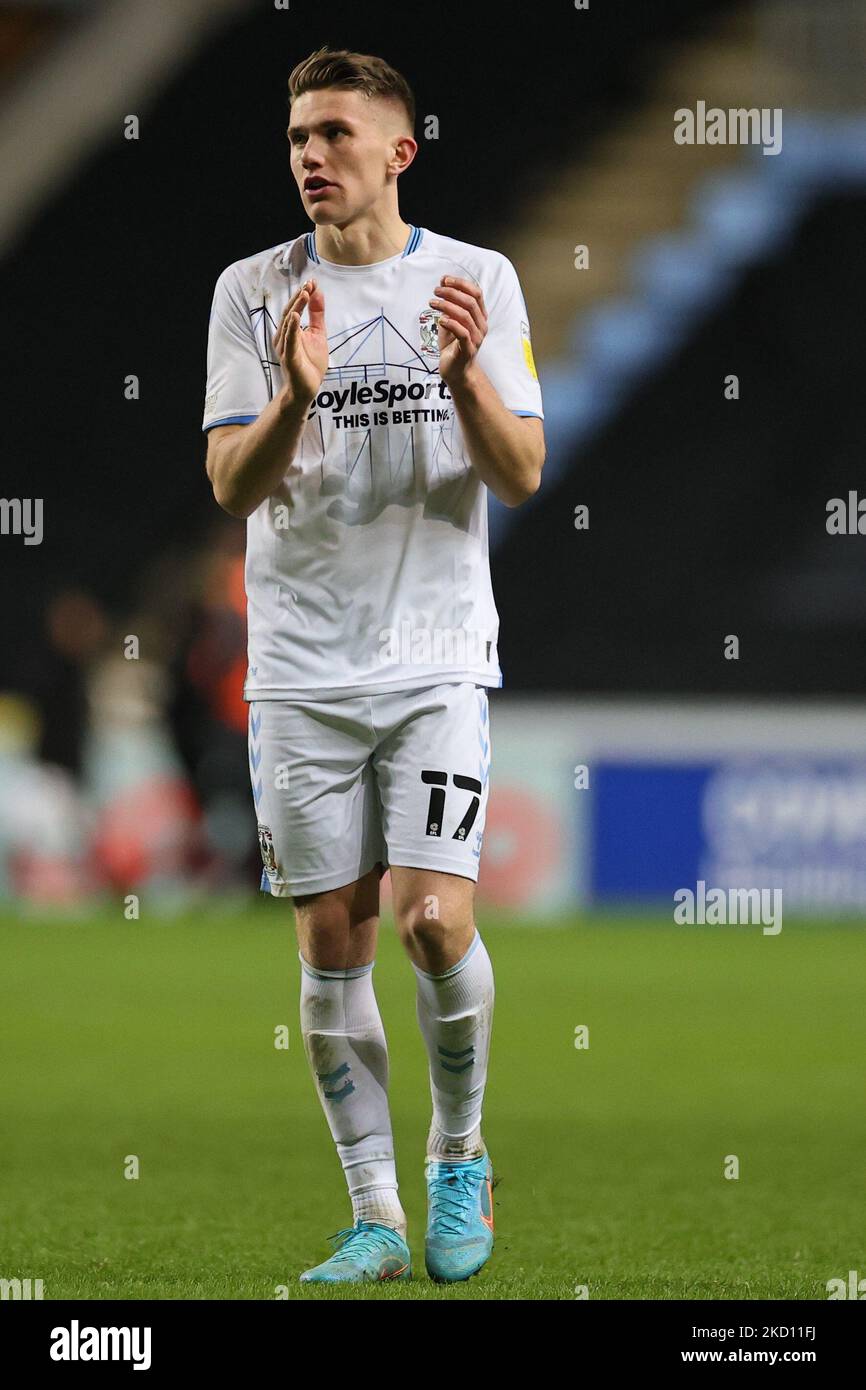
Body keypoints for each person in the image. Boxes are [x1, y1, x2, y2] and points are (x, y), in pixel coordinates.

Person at [203, 45, 544, 1284]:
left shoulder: (475, 281)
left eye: (335, 134)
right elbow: (230, 482)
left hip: (434, 658)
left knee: (434, 924)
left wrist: (460, 380)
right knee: (329, 943)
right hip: (299, 667)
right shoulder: (252, 292)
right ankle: (375, 1217)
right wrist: (293, 399)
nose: (309, 156)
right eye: (298, 135)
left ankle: (461, 1156)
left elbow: (518, 474)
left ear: (397, 151)